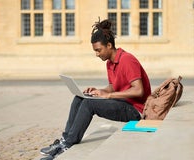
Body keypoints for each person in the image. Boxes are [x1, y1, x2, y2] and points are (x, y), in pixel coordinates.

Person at [39, 18, 151, 160]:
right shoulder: (110, 63)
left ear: (109, 45)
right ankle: (65, 140)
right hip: (123, 103)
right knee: (81, 97)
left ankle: (67, 145)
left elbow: (138, 90)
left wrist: (109, 96)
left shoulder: (127, 60)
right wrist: (100, 91)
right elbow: (113, 86)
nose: (97, 54)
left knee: (89, 104)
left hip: (136, 110)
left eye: (98, 50)